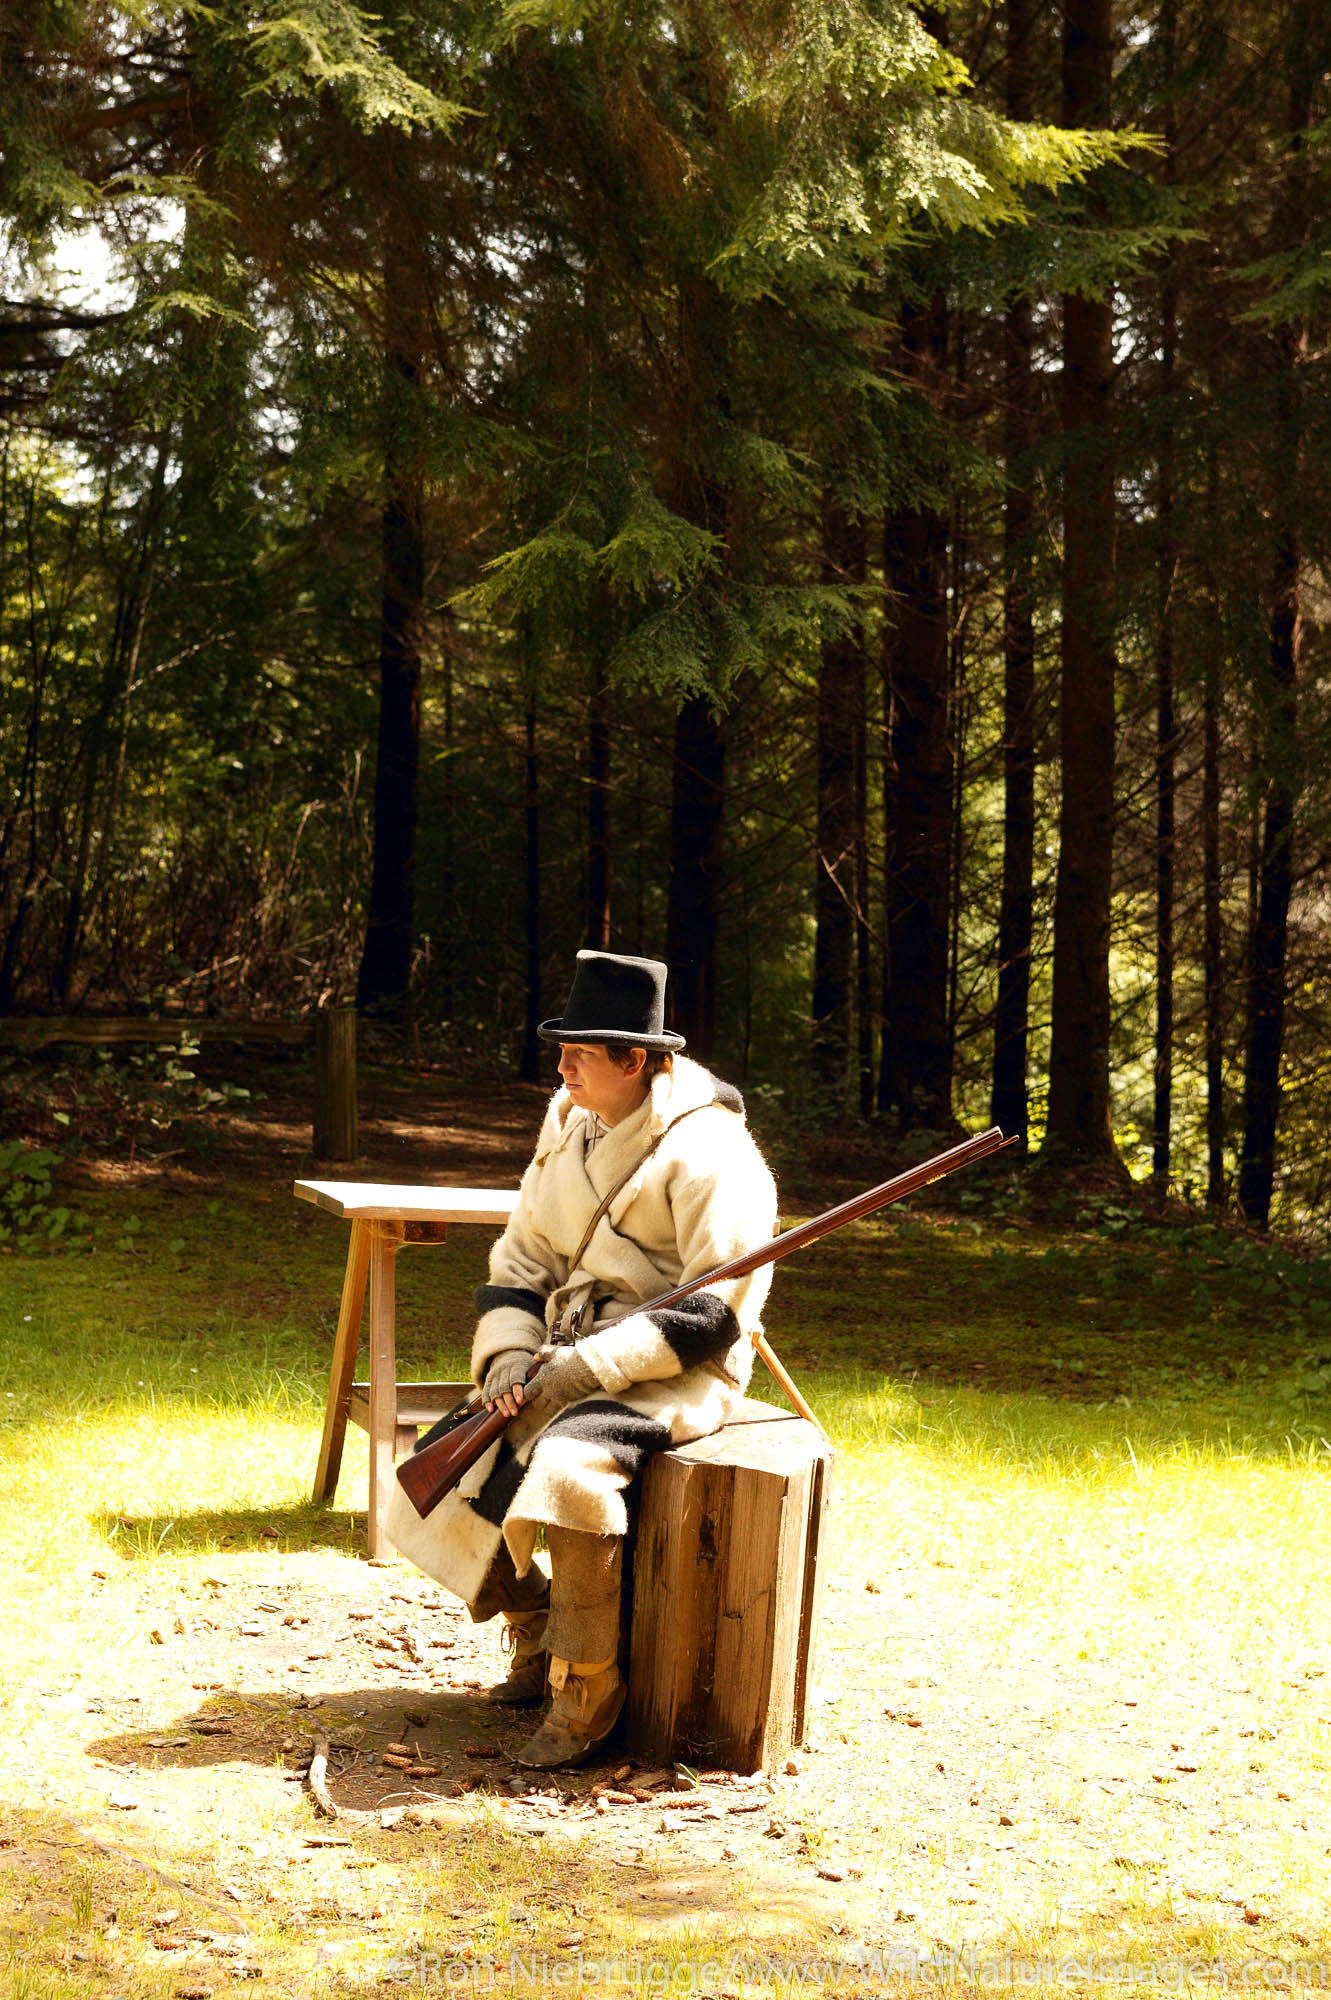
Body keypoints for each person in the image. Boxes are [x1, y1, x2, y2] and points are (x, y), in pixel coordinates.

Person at [383, 949, 778, 1769]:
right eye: (561, 1051)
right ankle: (532, 1632)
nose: (560, 1070)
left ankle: (588, 1686)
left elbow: (714, 1314)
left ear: (635, 1061)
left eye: (579, 1055)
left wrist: (585, 1371)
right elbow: (522, 1259)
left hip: (674, 1368)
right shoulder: (568, 1121)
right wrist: (509, 1359)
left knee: (566, 1467)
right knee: (451, 1454)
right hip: (561, 1352)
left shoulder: (714, 1153)